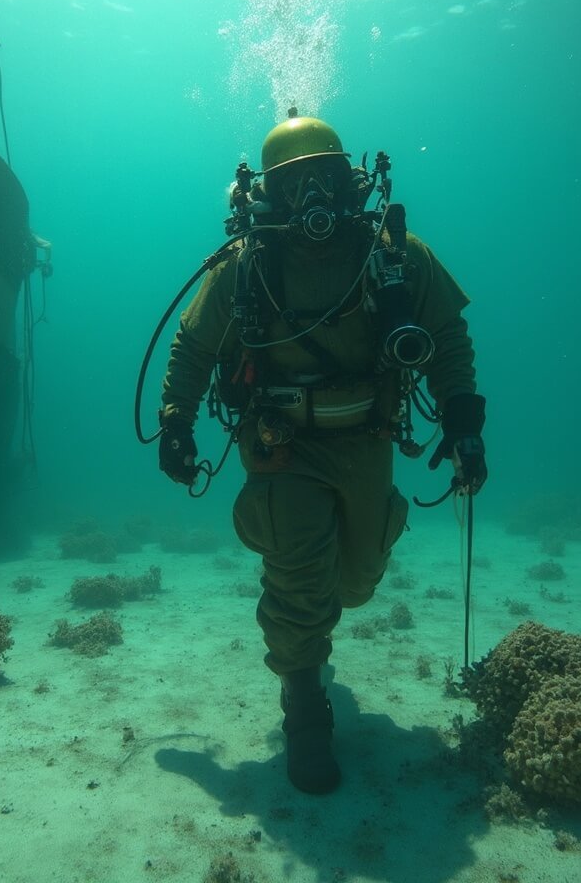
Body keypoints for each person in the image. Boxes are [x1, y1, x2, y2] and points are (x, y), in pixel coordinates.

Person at [157, 116, 486, 794]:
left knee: (357, 582)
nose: (312, 198)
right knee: (301, 570)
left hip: (368, 437)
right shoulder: (244, 268)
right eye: (294, 185)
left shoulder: (397, 256)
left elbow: (448, 338)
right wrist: (175, 422)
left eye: (325, 179)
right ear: (266, 198)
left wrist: (461, 418)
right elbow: (192, 348)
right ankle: (305, 704)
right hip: (282, 446)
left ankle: (315, 637)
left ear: (350, 182)